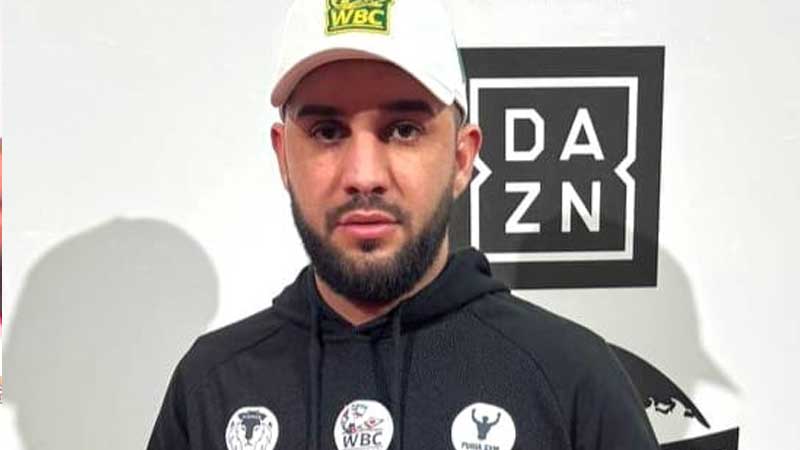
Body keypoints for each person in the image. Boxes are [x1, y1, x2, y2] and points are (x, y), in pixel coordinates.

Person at [147, 1, 659, 449]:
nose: (363, 176)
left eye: (404, 130)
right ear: (284, 157)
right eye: (327, 131)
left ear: (461, 158)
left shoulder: (571, 379)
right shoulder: (211, 385)